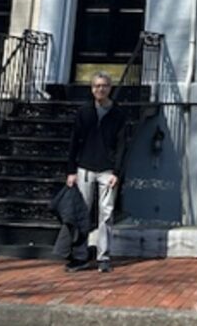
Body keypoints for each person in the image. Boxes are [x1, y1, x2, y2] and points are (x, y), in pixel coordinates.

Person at [65, 71, 128, 272]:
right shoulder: (84, 112)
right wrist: (71, 170)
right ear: (92, 89)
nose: (100, 89)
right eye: (96, 86)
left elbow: (122, 145)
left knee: (106, 214)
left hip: (107, 170)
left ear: (110, 88)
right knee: (82, 214)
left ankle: (103, 257)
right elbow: (74, 141)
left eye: (104, 86)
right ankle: (80, 255)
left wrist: (117, 172)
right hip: (84, 167)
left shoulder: (118, 114)